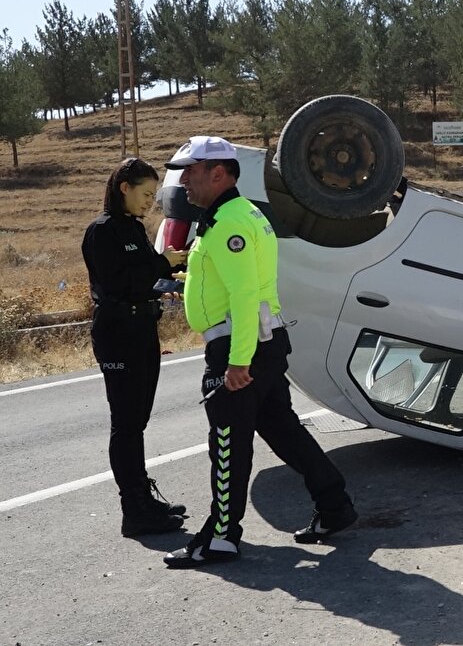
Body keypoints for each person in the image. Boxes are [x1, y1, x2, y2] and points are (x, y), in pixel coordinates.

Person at [161, 136, 357, 569]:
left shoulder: (230, 221)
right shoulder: (233, 214)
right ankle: (334, 505)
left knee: (228, 442)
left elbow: (245, 294)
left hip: (241, 344)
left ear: (218, 173)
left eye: (190, 172)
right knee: (283, 430)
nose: (184, 182)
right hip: (255, 341)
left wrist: (237, 362)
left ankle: (221, 538)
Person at [82, 158, 189, 538]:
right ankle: (134, 510)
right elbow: (118, 282)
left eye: (153, 197)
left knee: (138, 421)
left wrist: (169, 277)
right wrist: (161, 264)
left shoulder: (134, 228)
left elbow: (144, 280)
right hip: (118, 332)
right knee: (126, 424)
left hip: (144, 329)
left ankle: (143, 499)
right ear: (123, 187)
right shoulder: (103, 231)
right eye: (145, 195)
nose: (149, 204)